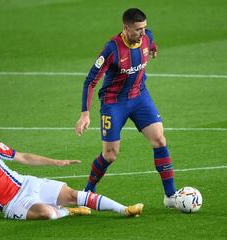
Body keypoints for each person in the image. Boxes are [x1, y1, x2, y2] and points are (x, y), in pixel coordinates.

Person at [0, 121, 144, 220]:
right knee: (46, 214)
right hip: (11, 204)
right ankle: (67, 212)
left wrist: (55, 162)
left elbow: (22, 156)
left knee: (75, 195)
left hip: (26, 183)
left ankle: (124, 210)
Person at [75, 8, 177, 208]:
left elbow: (150, 41)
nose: (142, 33)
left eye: (144, 28)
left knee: (159, 138)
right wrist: (84, 114)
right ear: (126, 28)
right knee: (110, 154)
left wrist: (153, 47)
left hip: (140, 96)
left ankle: (170, 196)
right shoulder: (112, 49)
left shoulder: (147, 37)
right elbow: (90, 81)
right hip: (114, 103)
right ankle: (88, 191)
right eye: (138, 29)